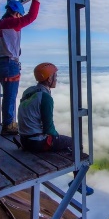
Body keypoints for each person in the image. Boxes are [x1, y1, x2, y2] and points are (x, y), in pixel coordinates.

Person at [18, 63, 94, 195]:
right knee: (75, 144)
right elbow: (48, 128)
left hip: (24, 139)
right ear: (48, 79)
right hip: (36, 142)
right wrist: (56, 139)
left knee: (64, 142)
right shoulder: (46, 97)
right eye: (55, 76)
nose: (56, 78)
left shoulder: (29, 91)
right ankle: (79, 183)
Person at [0, 0, 42, 136]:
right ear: (16, 13)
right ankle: (8, 125)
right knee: (10, 96)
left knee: (8, 95)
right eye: (19, 14)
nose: (20, 17)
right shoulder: (13, 23)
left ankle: (9, 122)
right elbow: (32, 16)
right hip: (9, 64)